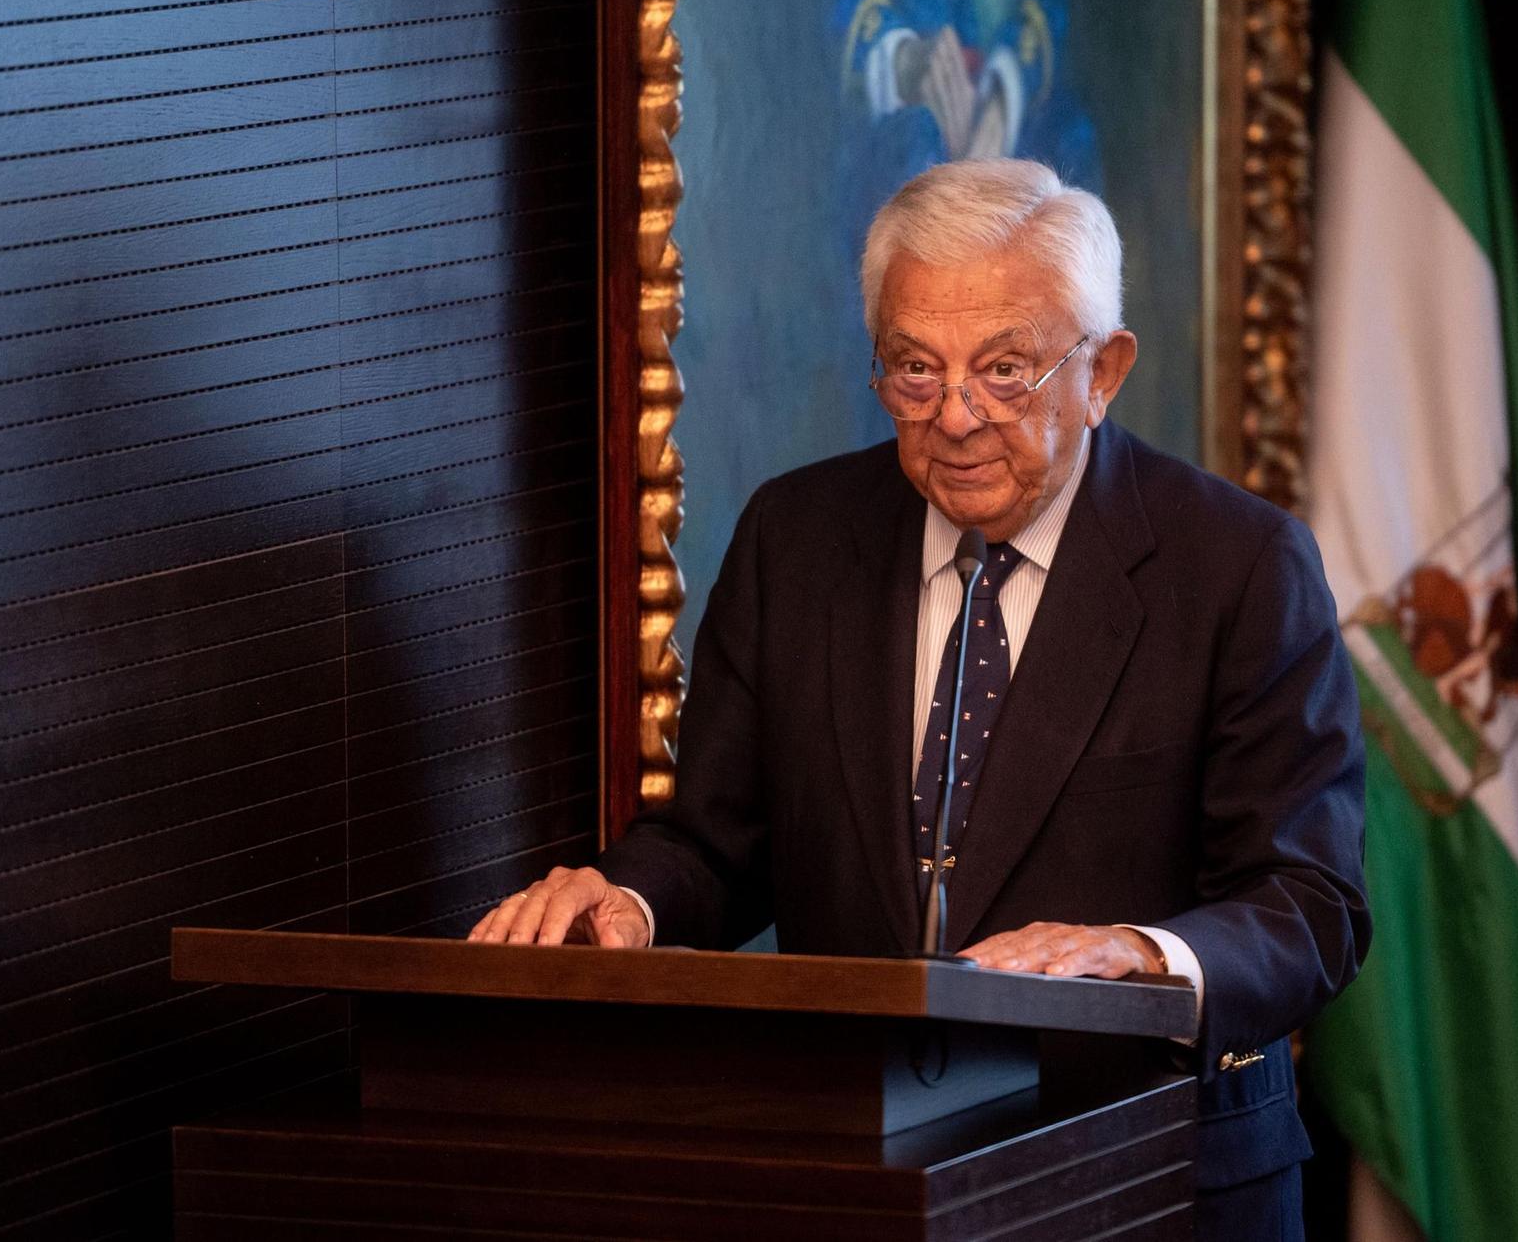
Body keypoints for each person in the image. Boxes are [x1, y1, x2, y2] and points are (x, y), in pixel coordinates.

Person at [470, 158, 1369, 1239]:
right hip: (864, 1176)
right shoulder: (795, 541)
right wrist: (632, 902)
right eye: (911, 369)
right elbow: (715, 841)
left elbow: (1310, 904)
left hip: (1150, 1178)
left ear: (1102, 372)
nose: (952, 415)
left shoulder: (1235, 567)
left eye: (1002, 370)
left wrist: (1133, 950)